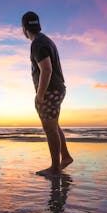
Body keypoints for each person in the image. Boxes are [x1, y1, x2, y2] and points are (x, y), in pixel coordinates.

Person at [21, 11, 73, 176]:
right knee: (54, 126)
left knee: (50, 129)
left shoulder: (37, 43)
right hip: (57, 88)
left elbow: (47, 69)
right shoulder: (46, 40)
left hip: (50, 90)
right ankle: (65, 157)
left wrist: (40, 95)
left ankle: (55, 168)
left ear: (24, 28)